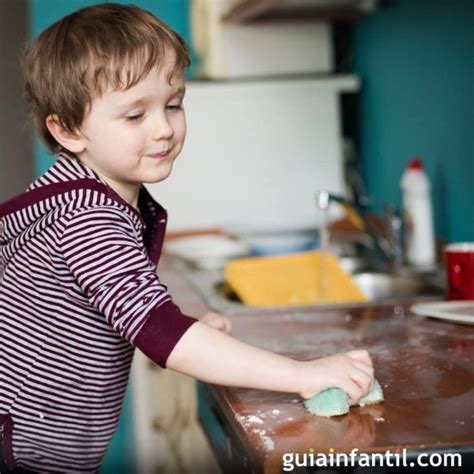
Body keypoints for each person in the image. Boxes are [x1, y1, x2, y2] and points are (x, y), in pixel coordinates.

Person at [0, 3, 374, 473]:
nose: (163, 128)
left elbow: (108, 303)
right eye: (135, 115)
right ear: (68, 129)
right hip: (26, 454)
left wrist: (180, 325)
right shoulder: (87, 215)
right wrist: (303, 374)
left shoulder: (82, 196)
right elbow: (160, 334)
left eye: (173, 104)